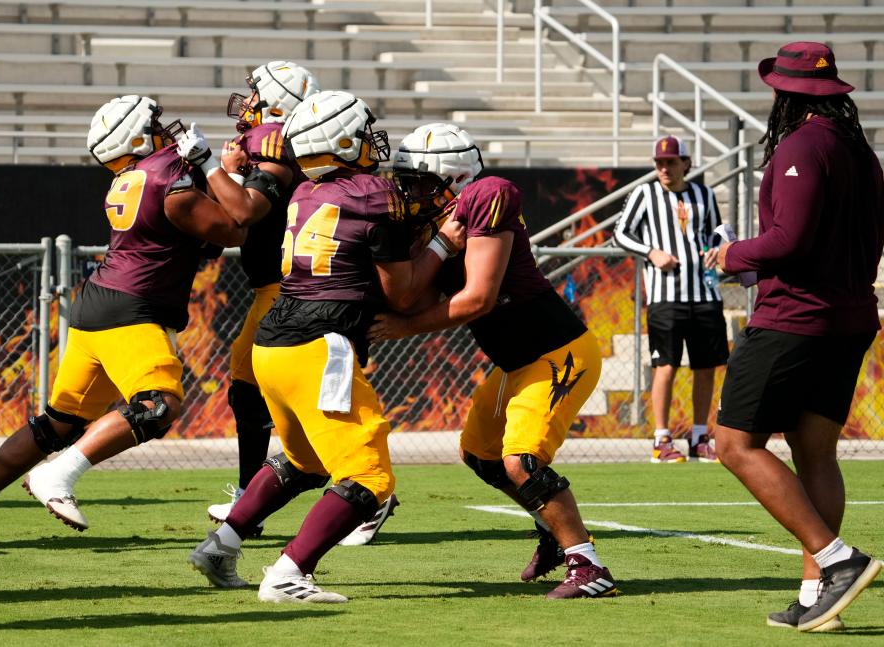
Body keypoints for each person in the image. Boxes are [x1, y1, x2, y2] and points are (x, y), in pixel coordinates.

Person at [0, 95, 259, 542]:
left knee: (56, 423)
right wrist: (223, 171)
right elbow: (234, 227)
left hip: (99, 308)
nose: (167, 131)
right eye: (156, 124)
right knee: (158, 406)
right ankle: (59, 475)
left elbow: (204, 241)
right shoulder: (166, 175)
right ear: (137, 137)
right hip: (133, 309)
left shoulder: (130, 179)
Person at [187, 92, 465, 602]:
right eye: (361, 133)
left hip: (273, 346)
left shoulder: (304, 192)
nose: (370, 142)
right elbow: (401, 292)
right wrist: (442, 240)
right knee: (370, 476)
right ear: (339, 140)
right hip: (321, 346)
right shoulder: (371, 194)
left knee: (304, 461)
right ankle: (289, 572)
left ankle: (221, 545)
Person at [368, 123, 617, 599]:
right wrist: (436, 245)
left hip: (556, 353)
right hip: (514, 363)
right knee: (480, 456)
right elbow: (406, 296)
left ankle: (590, 567)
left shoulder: (487, 195)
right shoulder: (432, 224)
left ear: (455, 178)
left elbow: (479, 298)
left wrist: (404, 328)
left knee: (522, 461)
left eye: (420, 181)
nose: (410, 192)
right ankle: (550, 528)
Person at [715, 41, 883, 632]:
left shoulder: (801, 146)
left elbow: (788, 240)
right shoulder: (860, 152)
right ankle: (819, 596)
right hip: (850, 314)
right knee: (815, 450)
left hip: (796, 318)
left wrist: (732, 253)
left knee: (733, 443)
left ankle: (837, 560)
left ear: (786, 93)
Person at [201, 62, 400, 546]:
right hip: (297, 292)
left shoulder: (272, 140)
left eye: (255, 95)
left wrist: (215, 169)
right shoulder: (301, 161)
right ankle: (258, 502)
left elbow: (246, 210)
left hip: (300, 293)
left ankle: (355, 494)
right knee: (291, 412)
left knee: (302, 406)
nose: (245, 104)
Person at [613, 135, 729, 463]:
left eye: (670, 162)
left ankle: (697, 436)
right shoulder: (645, 194)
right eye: (659, 163)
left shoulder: (703, 194)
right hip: (666, 296)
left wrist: (715, 251)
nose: (664, 168)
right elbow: (620, 232)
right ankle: (661, 439)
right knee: (665, 365)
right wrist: (651, 252)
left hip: (705, 292)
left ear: (685, 164)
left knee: (706, 367)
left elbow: (715, 234)